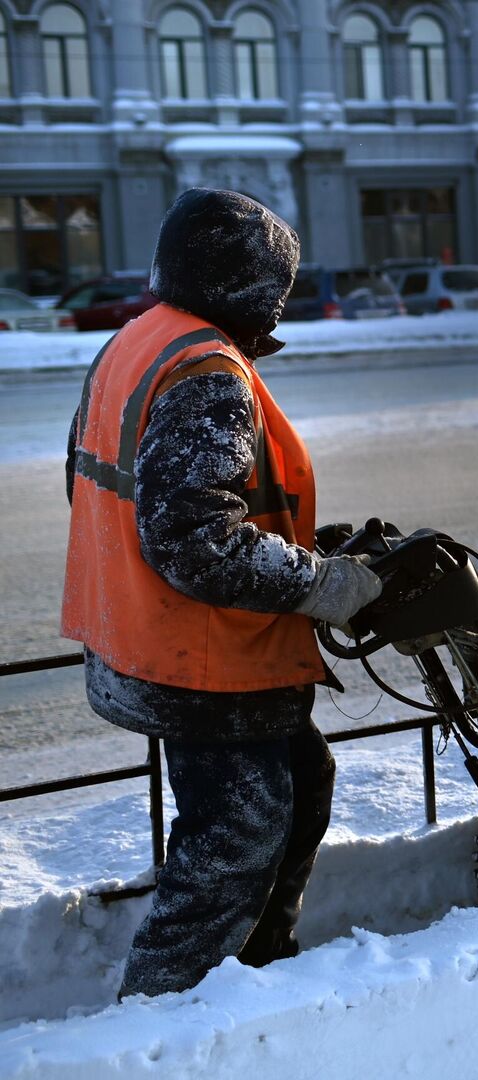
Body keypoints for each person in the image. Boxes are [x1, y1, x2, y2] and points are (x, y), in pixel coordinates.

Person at [62, 189, 383, 999]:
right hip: (203, 661)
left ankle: (256, 973)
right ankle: (166, 1017)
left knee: (302, 782)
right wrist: (322, 583)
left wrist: (298, 547)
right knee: (236, 838)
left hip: (145, 639)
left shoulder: (137, 340)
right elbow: (191, 540)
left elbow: (111, 484)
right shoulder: (206, 371)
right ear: (256, 287)